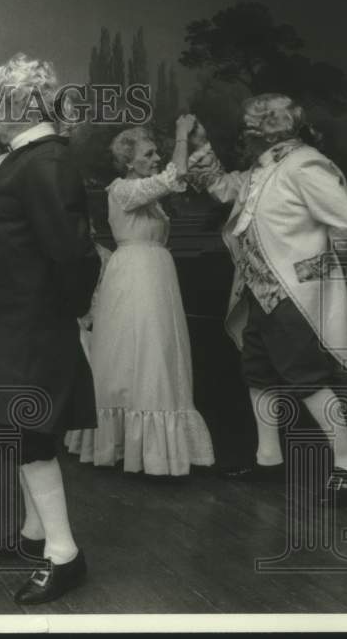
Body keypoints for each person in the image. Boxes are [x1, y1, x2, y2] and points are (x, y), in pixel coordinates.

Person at [0, 53, 99, 605]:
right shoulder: (25, 158)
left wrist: (65, 315)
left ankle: (65, 555)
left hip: (31, 326)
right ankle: (35, 534)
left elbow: (72, 255)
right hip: (13, 323)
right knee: (20, 433)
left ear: (22, 104)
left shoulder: (44, 160)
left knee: (32, 436)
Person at [187, 94, 347, 497]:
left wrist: (317, 268)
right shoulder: (265, 165)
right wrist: (200, 145)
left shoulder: (304, 165)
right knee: (258, 371)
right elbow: (222, 189)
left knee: (304, 376)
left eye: (250, 130)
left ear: (260, 131)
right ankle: (268, 458)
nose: (246, 138)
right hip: (257, 289)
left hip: (291, 292)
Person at [68, 118, 215, 475]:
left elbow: (183, 175)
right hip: (134, 275)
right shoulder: (121, 190)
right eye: (148, 154)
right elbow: (174, 175)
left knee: (158, 350)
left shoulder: (148, 191)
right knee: (135, 351)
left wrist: (198, 142)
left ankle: (152, 445)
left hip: (155, 273)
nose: (156, 157)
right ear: (128, 161)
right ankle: (126, 444)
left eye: (156, 152)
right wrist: (179, 134)